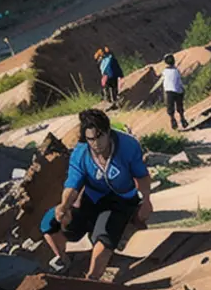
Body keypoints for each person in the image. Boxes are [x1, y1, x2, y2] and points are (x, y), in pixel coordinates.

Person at [40, 108, 152, 280]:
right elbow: (73, 183)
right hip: (92, 197)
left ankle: (92, 278)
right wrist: (65, 205)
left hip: (121, 199)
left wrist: (145, 200)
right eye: (90, 139)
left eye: (99, 137)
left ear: (108, 132)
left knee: (104, 232)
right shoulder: (80, 153)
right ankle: (63, 260)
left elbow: (142, 176)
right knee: (50, 221)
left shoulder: (128, 146)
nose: (95, 143)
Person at [154, 54, 188, 130]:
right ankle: (182, 119)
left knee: (170, 107)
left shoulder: (164, 72)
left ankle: (173, 120)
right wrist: (183, 88)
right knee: (180, 106)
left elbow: (162, 81)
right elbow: (179, 81)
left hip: (168, 91)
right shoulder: (176, 71)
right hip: (178, 91)